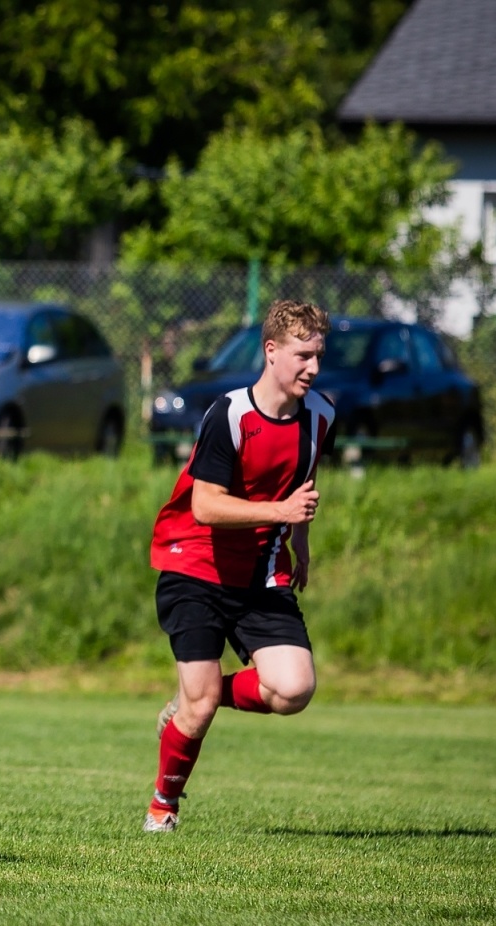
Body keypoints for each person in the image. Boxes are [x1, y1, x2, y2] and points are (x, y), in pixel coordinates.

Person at [143, 300, 335, 833]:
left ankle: (195, 695)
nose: (312, 368)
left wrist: (300, 542)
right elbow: (205, 506)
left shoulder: (322, 415)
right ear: (271, 351)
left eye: (318, 356)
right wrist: (282, 513)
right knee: (198, 712)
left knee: (293, 689)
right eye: (302, 355)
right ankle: (163, 807)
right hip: (194, 566)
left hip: (261, 572)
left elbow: (303, 483)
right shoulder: (229, 414)